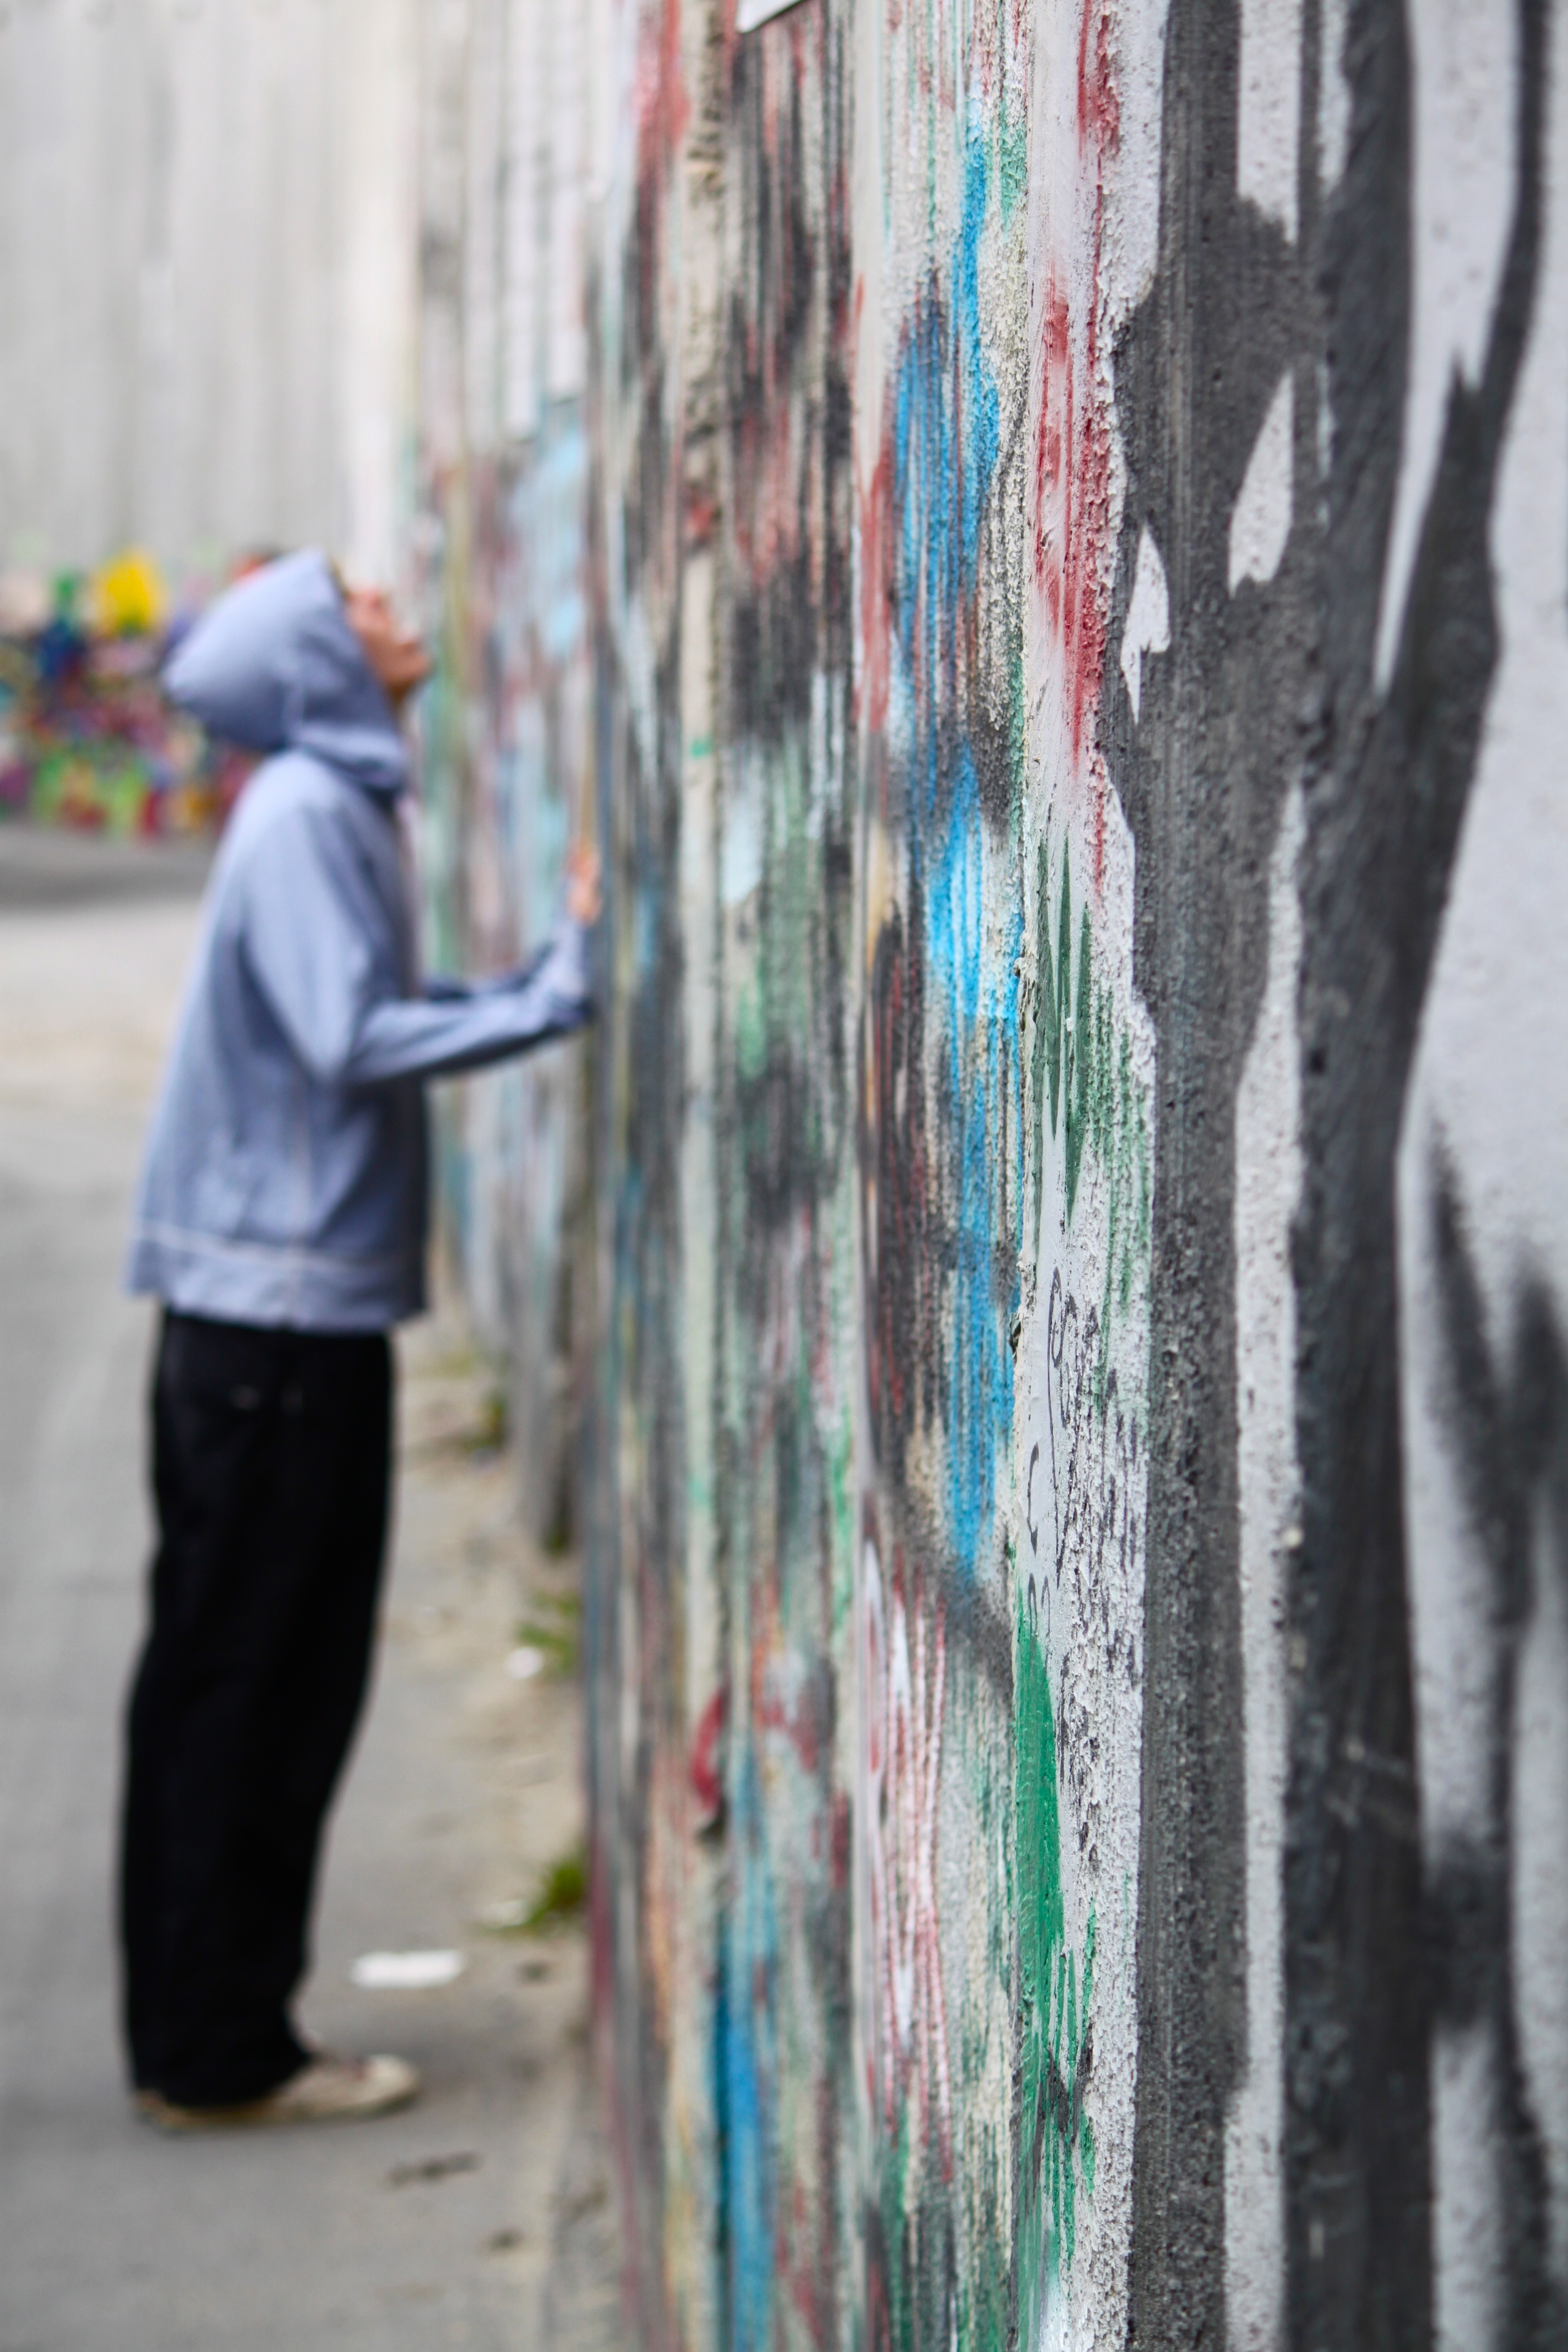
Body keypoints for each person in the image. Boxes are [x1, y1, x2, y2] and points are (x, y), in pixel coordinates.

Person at [120, 549, 600, 2131]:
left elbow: (363, 1005)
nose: (392, 604)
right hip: (277, 1332)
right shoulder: (312, 812)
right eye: (359, 602)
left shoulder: (317, 803)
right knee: (259, 1681)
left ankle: (204, 2030)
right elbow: (351, 1037)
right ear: (319, 659)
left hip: (266, 1324)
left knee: (232, 1672)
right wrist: (559, 996)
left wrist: (527, 983)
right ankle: (218, 2048)